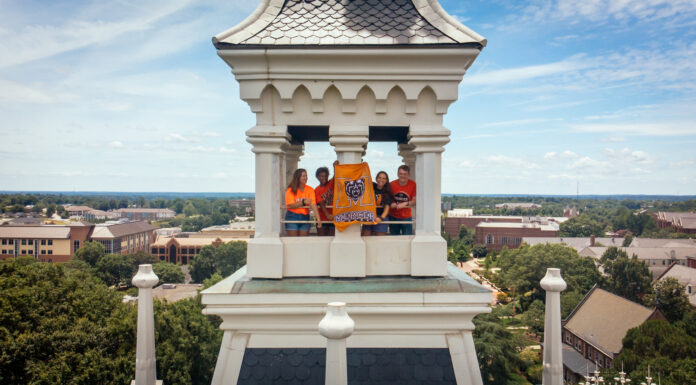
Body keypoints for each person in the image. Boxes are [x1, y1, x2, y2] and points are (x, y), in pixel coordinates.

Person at [284, 168, 322, 236]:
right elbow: (291, 205)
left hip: (305, 216)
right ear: (298, 177)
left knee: (303, 241)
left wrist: (318, 218)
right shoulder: (290, 190)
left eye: (306, 176)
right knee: (293, 241)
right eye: (303, 176)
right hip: (292, 216)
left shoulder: (310, 189)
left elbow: (313, 204)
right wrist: (303, 202)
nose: (306, 178)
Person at [362, 171, 393, 236]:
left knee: (379, 238)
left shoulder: (388, 192)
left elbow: (387, 209)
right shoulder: (372, 186)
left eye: (384, 178)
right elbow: (362, 179)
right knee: (365, 235)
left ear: (386, 181)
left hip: (381, 216)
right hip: (369, 215)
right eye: (379, 177)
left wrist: (381, 218)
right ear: (376, 179)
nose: (381, 180)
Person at [388, 165, 416, 235]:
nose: (402, 176)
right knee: (394, 239)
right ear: (397, 174)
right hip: (393, 216)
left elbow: (414, 201)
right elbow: (387, 199)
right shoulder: (391, 184)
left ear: (408, 175)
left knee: (407, 239)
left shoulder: (413, 185)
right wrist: (391, 203)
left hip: (406, 217)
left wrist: (404, 204)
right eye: (400, 174)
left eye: (405, 174)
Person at [314, 166, 335, 236]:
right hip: (322, 218)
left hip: (333, 218)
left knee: (333, 238)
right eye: (321, 176)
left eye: (326, 176)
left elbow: (336, 176)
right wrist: (327, 215)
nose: (324, 178)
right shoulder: (316, 190)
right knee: (322, 239)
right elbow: (321, 203)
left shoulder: (331, 183)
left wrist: (335, 167)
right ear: (317, 177)